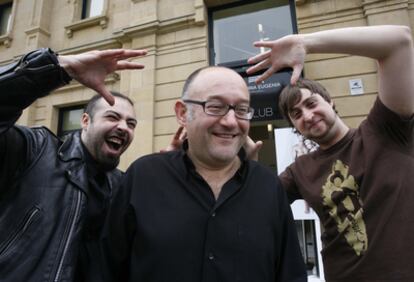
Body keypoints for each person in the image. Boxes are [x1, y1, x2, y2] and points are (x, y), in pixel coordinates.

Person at [103, 66, 307, 282]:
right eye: (215, 107)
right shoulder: (142, 177)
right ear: (183, 113)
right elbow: (106, 268)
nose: (230, 122)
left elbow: (290, 273)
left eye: (241, 109)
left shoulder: (268, 186)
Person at [247, 25, 414, 281]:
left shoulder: (384, 130)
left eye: (311, 104)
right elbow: (257, 207)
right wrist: (248, 169)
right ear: (295, 127)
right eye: (297, 115)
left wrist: (307, 43)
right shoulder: (299, 170)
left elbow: (399, 41)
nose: (308, 116)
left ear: (331, 101)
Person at [0, 47, 147, 281]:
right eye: (112, 117)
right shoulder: (35, 150)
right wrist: (58, 68)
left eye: (131, 123)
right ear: (85, 121)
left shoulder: (121, 184)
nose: (123, 127)